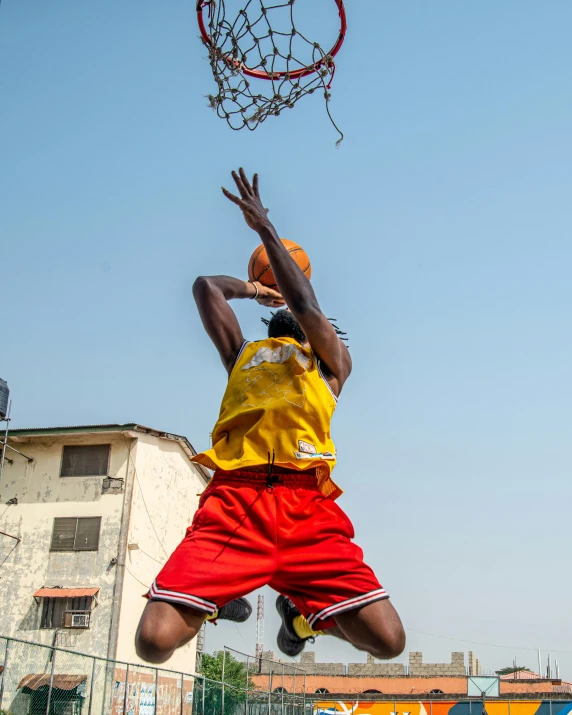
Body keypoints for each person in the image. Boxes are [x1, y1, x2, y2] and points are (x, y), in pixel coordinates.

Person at [135, 168, 405, 664]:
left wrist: (265, 230)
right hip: (235, 504)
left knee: (389, 642)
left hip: (306, 507)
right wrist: (258, 291)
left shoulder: (330, 363)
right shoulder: (244, 356)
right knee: (152, 643)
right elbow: (204, 288)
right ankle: (221, 596)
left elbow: (304, 302)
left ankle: (298, 616)